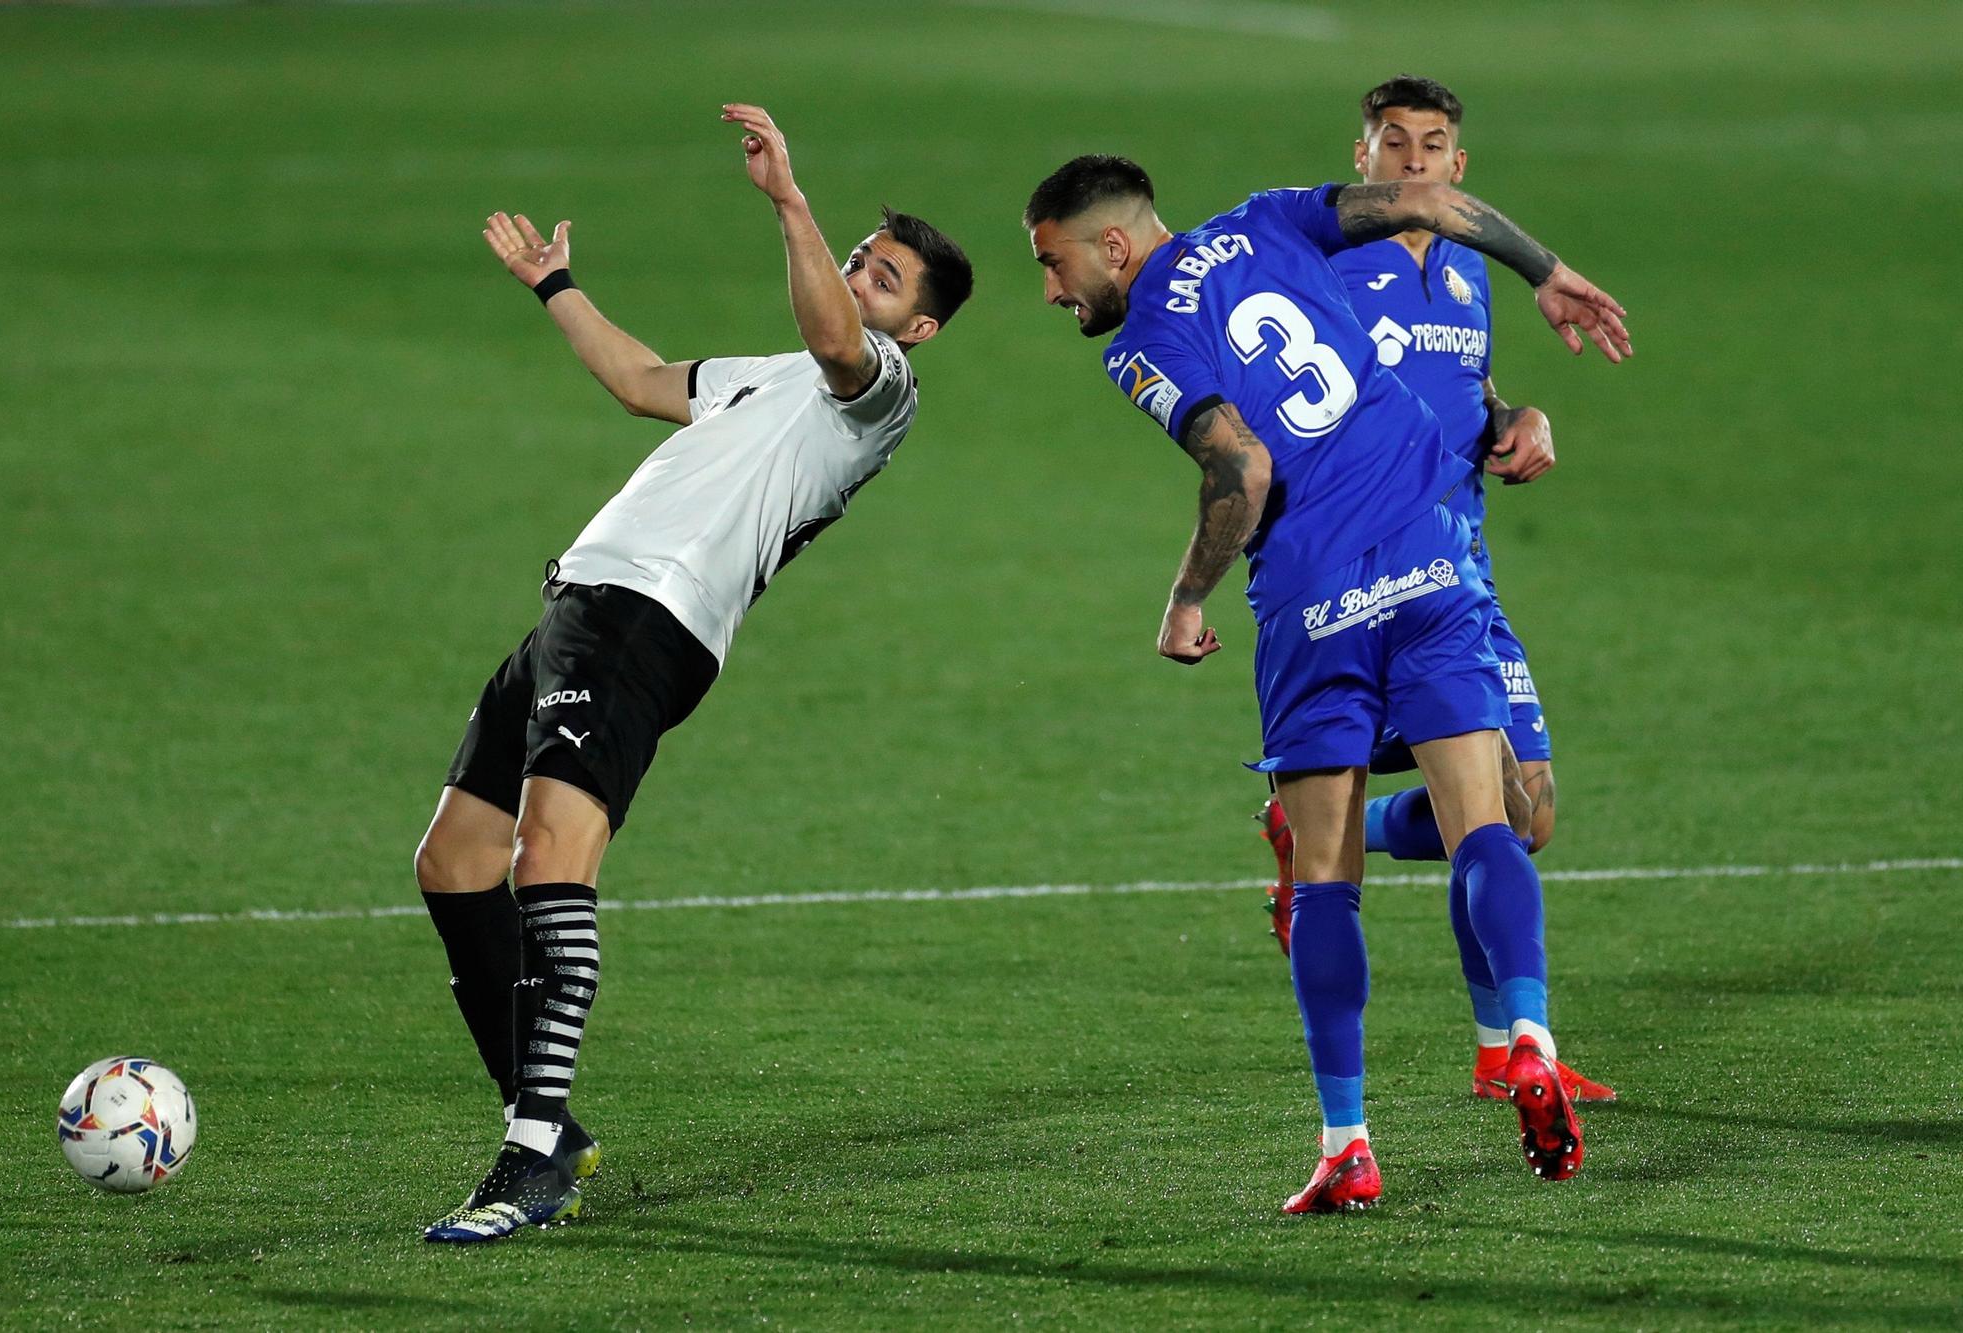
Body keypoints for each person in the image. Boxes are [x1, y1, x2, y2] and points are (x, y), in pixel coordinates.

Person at [1023, 153, 1628, 1212]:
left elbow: (1242, 470)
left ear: (1110, 245)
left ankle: (1347, 1142)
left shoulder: (1141, 343)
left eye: (1053, 262)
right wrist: (1545, 269)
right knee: (1489, 823)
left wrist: (1182, 598)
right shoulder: (1268, 218)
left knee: (1325, 878)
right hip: (1429, 555)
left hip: (1312, 602)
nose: (1051, 290)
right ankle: (1526, 1034)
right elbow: (1433, 204)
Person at [413, 104, 973, 1243]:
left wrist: (789, 202)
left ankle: (531, 1156)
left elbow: (831, 340)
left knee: (547, 859)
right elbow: (636, 380)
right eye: (862, 260)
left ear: (916, 327)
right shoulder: (766, 375)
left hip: (646, 619)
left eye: (883, 276)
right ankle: (543, 1121)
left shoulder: (876, 394)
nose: (862, 277)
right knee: (456, 860)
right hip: (577, 605)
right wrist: (554, 285)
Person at [1257, 74, 1614, 1106]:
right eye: (1391, 141)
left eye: (1431, 144)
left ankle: (1324, 836)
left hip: (1463, 565)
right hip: (1360, 582)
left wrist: (1521, 417)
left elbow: (1470, 391)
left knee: (1524, 810)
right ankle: (1505, 1045)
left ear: (1458, 168)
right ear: (1359, 156)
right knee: (1480, 813)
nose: (1411, 159)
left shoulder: (1466, 270)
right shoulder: (1321, 262)